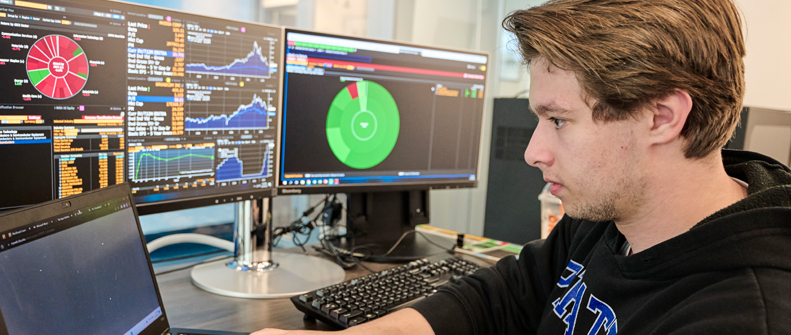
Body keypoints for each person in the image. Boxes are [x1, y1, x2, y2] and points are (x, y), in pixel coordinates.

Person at [253, 0, 791, 334]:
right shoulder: (610, 217)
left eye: (558, 119)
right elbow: (506, 296)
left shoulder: (742, 314)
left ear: (660, 117)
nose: (534, 152)